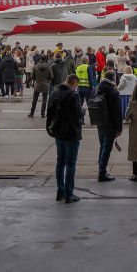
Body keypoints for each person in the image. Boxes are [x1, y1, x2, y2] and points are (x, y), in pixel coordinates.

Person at [47, 74, 83, 203]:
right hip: (71, 132)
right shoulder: (74, 95)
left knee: (60, 162)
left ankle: (60, 192)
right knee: (71, 163)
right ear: (74, 83)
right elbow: (78, 114)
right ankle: (69, 193)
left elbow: (49, 112)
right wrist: (83, 111)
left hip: (58, 132)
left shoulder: (54, 93)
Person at [94, 71, 123, 182]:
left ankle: (101, 168)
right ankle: (102, 172)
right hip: (110, 124)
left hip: (100, 122)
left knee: (102, 146)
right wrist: (119, 129)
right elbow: (117, 112)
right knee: (107, 148)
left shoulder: (97, 89)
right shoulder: (114, 92)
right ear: (113, 78)